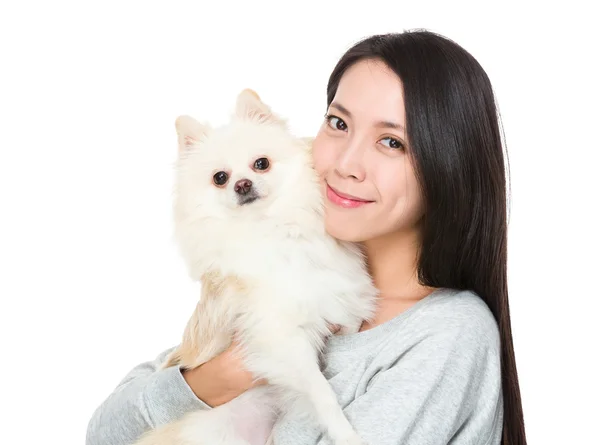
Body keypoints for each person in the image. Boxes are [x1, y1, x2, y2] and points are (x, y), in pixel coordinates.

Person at [86, 30, 527, 445]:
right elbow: (106, 431)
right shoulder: (288, 276)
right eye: (338, 123)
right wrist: (222, 375)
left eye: (391, 142)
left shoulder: (447, 332)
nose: (347, 163)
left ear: (446, 168)